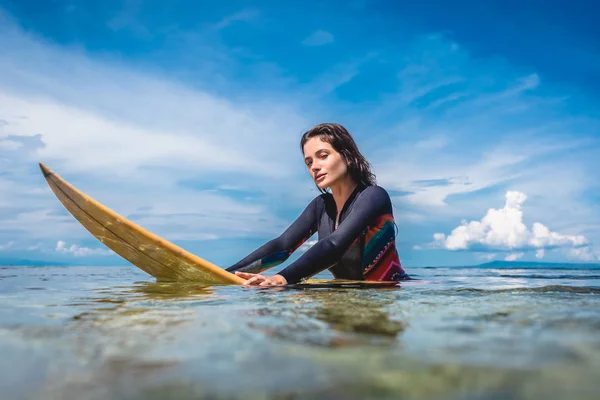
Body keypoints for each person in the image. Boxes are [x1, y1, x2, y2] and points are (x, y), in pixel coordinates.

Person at [227, 123, 409, 286]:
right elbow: (282, 246)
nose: (314, 166)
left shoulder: (373, 196)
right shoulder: (321, 206)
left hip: (385, 293)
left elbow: (334, 246)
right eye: (309, 162)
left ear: (347, 156)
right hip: (348, 295)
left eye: (323, 156)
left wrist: (281, 278)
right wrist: (226, 275)